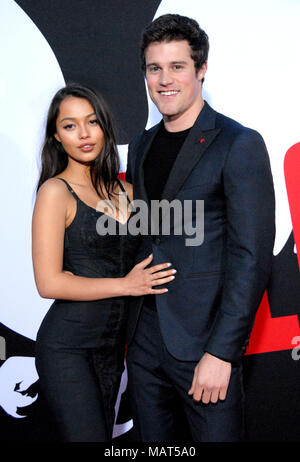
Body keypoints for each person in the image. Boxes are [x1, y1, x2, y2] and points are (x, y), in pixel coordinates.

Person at [125, 14, 275, 442]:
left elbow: (251, 257)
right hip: (145, 340)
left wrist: (221, 352)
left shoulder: (238, 143)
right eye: (155, 68)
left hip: (205, 343)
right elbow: (147, 232)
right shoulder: (141, 145)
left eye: (177, 67)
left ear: (201, 69)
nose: (164, 79)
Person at [32, 83, 175, 442]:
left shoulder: (128, 192)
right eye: (69, 125)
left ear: (105, 128)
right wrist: (127, 285)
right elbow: (49, 283)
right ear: (56, 136)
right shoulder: (55, 192)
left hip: (113, 351)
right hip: (67, 348)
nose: (83, 134)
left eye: (92, 122)